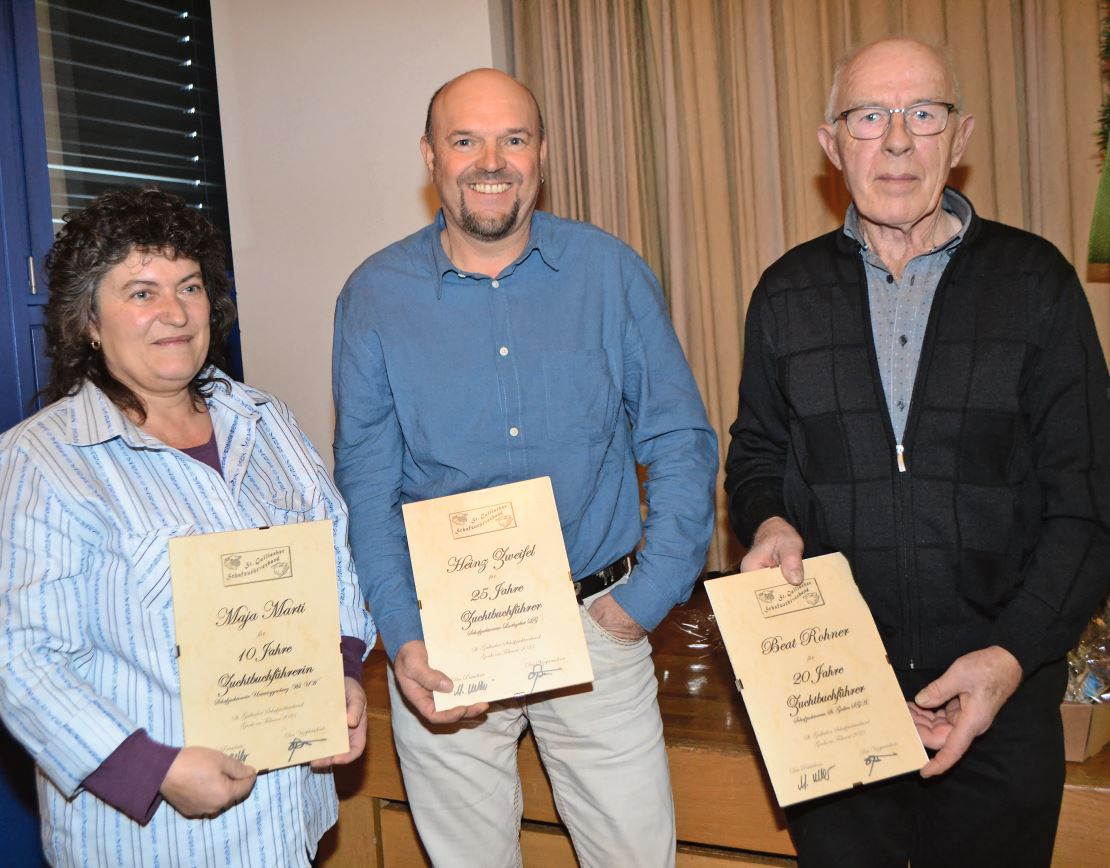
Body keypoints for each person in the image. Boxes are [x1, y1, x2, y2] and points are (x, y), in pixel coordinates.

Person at [725, 37, 1110, 867]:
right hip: (834, 706)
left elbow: (1089, 505)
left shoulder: (1036, 284)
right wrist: (769, 520)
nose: (897, 141)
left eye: (922, 114)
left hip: (1000, 707)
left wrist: (1009, 659)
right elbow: (755, 450)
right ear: (833, 145)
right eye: (869, 117)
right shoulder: (785, 294)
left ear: (959, 138)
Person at [333, 68, 717, 866]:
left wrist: (647, 596)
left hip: (597, 625)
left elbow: (678, 436)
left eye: (513, 138)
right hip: (446, 639)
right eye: (464, 139)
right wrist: (401, 634)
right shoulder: (372, 296)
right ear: (430, 156)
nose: (490, 160)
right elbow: (366, 486)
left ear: (542, 152)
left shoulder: (609, 272)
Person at [0, 187, 375, 867]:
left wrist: (342, 674)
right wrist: (151, 769)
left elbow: (334, 563)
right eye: (140, 292)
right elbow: (19, 661)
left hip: (289, 821)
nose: (173, 313)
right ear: (87, 320)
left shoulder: (267, 421)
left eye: (189, 286)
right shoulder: (42, 462)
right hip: (153, 839)